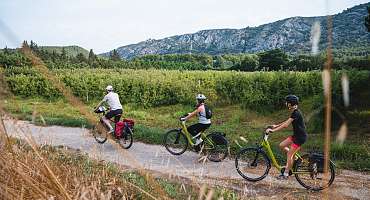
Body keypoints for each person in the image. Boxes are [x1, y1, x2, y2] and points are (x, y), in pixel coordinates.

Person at [265, 95, 308, 180]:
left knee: (289, 154)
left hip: (300, 138)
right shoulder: (295, 112)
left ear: (290, 104)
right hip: (296, 136)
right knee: (282, 145)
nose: (286, 104)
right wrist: (276, 125)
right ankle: (295, 158)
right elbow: (287, 121)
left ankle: (285, 174)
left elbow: (286, 125)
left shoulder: (296, 113)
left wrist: (273, 130)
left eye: (287, 102)